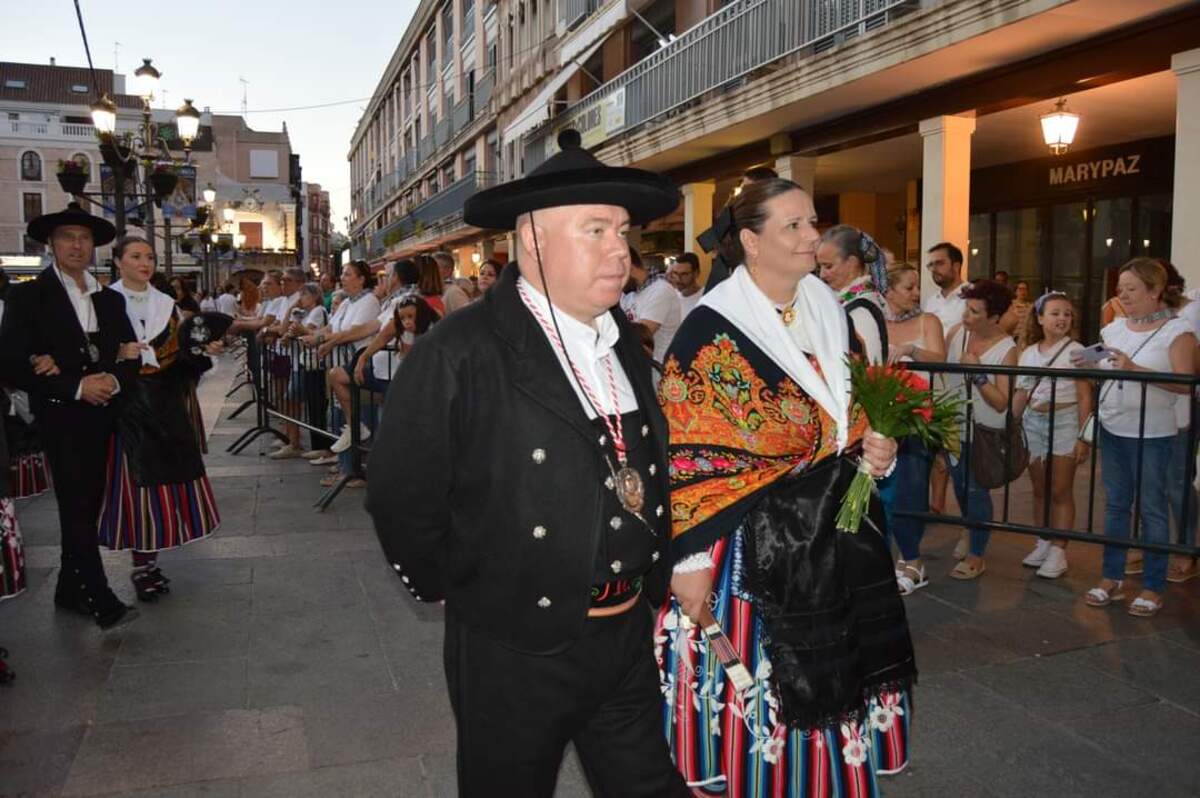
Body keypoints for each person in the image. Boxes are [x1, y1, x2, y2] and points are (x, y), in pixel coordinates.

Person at [368, 128, 687, 797]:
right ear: (531, 239)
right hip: (514, 649)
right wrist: (482, 592)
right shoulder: (459, 350)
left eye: (622, 231)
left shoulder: (623, 340)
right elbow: (402, 495)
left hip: (624, 633)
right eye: (595, 230)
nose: (620, 252)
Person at [657, 178, 912, 793]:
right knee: (774, 676)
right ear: (750, 240)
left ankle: (822, 779)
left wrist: (878, 449)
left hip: (835, 531)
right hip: (748, 544)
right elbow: (687, 452)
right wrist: (688, 559)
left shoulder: (828, 309)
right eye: (793, 226)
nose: (811, 237)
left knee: (838, 661)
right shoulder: (711, 328)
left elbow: (851, 415)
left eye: (813, 222)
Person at [0, 203, 140, 628]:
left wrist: (112, 382)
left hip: (102, 415)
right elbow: (10, 361)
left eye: (83, 238)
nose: (76, 245)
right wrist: (75, 386)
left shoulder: (108, 298)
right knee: (76, 504)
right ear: (51, 244)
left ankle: (66, 587)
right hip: (60, 414)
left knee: (87, 502)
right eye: (67, 237)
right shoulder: (28, 295)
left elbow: (129, 353)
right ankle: (99, 595)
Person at [100, 236, 221, 599]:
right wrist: (117, 352)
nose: (145, 262)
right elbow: (87, 351)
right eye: (136, 256)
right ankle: (141, 565)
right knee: (133, 488)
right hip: (122, 407)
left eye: (150, 256)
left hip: (164, 407)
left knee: (159, 488)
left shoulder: (166, 305)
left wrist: (202, 352)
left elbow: (182, 359)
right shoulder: (103, 303)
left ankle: (149, 562)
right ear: (118, 261)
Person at [1078, 258, 1196, 617]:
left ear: (1155, 290)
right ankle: (1110, 577)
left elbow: (1184, 385)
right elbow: (1096, 357)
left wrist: (1136, 370)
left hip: (1154, 433)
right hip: (1114, 427)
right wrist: (1081, 359)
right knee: (1115, 505)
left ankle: (1153, 586)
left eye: (1131, 289)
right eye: (1120, 289)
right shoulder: (1113, 328)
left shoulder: (1179, 333)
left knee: (1152, 509)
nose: (1123, 296)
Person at [1010, 291, 1091, 580]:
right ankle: (1043, 541)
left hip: (1065, 421)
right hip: (1034, 420)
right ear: (1040, 318)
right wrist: (1011, 423)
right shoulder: (1029, 352)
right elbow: (1023, 391)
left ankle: (1059, 549)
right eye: (1055, 313)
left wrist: (1084, 436)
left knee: (1060, 489)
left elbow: (1084, 396)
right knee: (1039, 488)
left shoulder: (1077, 351)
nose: (1062, 318)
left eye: (1067, 313)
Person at [943, 278, 1017, 580]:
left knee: (976, 489)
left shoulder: (1007, 350)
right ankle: (970, 528)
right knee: (960, 487)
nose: (966, 316)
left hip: (984, 431)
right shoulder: (957, 333)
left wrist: (978, 374)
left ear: (994, 317)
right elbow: (945, 379)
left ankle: (977, 553)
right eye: (967, 309)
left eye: (975, 312)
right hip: (953, 425)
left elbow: (1002, 402)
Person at [881, 262, 946, 595]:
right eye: (909, 287)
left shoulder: (927, 321)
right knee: (884, 494)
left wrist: (911, 351)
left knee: (910, 487)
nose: (916, 293)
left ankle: (914, 561)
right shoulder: (873, 320)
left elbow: (940, 359)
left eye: (917, 286)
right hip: (882, 417)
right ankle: (890, 559)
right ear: (888, 290)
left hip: (918, 418)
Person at [301, 261, 380, 485]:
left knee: (357, 418)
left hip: (355, 369)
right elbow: (332, 327)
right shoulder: (346, 302)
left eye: (347, 274)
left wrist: (321, 340)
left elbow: (352, 332)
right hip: (339, 367)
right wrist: (317, 336)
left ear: (361, 278)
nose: (342, 278)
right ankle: (345, 467)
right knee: (339, 420)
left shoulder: (369, 301)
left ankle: (355, 470)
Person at [922, 242, 968, 516]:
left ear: (956, 265)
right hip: (932, 383)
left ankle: (969, 522)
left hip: (959, 384)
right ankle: (937, 505)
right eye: (931, 265)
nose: (934, 269)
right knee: (935, 447)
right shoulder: (932, 300)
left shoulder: (970, 296)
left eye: (939, 263)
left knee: (957, 452)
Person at [696, 165, 778, 293]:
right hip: (732, 276)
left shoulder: (780, 215)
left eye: (748, 188)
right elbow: (709, 242)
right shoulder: (735, 212)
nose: (743, 192)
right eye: (743, 188)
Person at [817, 223, 889, 363]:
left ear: (851, 262)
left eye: (828, 266)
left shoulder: (861, 309)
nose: (822, 275)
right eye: (820, 267)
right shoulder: (856, 300)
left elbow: (866, 370)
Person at [624, 247, 681, 367]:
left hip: (661, 369)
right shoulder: (630, 295)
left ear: (629, 268)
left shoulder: (661, 290)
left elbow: (643, 336)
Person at [667, 252, 702, 320]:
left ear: (696, 273)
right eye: (675, 273)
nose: (678, 279)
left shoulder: (705, 298)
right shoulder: (671, 296)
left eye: (684, 274)